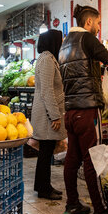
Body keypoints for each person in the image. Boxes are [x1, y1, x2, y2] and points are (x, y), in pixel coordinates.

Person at [59, 5, 108, 214]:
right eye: (99, 23)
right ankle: (100, 212)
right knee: (94, 159)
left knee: (72, 159)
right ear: (89, 22)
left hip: (70, 111)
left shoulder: (65, 44)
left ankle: (72, 204)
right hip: (87, 110)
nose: (99, 28)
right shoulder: (87, 40)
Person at [31, 29, 66, 200]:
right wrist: (55, 116)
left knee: (46, 151)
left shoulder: (49, 58)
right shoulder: (46, 59)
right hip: (46, 115)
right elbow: (47, 90)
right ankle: (44, 189)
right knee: (45, 151)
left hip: (47, 112)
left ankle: (43, 185)